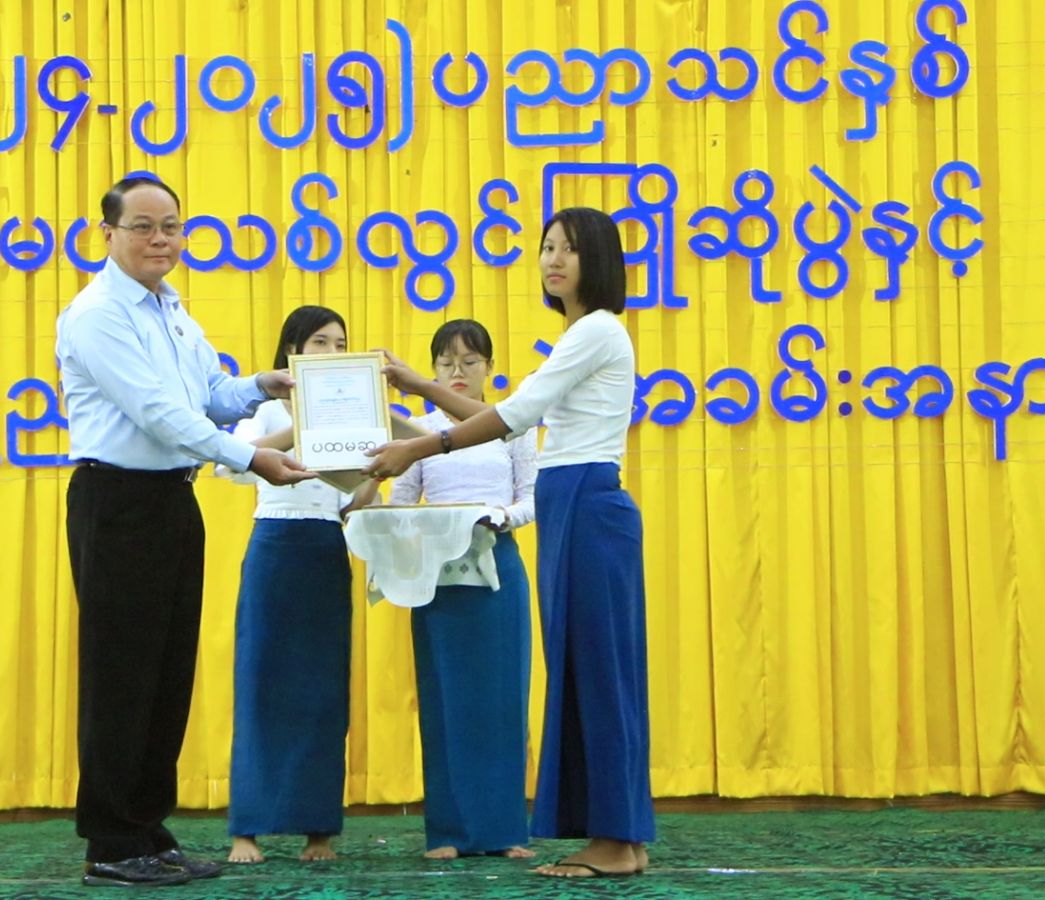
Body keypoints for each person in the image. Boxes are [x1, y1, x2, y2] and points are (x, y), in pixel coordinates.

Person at [364, 207, 654, 879]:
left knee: (597, 673)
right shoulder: (583, 335)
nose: (553, 260)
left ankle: (615, 842)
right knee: (590, 670)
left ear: (598, 260)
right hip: (573, 499)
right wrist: (421, 395)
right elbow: (510, 420)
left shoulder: (595, 330)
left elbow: (514, 415)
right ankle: (622, 837)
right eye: (547, 247)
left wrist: (419, 446)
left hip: (586, 498)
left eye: (569, 249)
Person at [55, 175, 314, 888]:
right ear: (108, 234)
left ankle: (147, 828)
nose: (159, 239)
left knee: (165, 674)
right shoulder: (98, 314)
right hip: (118, 502)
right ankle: (111, 842)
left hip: (171, 500)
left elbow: (208, 395)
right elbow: (159, 415)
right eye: (142, 226)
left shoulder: (170, 308)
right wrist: (252, 458)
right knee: (122, 675)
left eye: (170, 226)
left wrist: (263, 386)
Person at [219, 306, 380, 865]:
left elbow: (352, 497)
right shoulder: (264, 410)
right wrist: (306, 419)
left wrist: (378, 475)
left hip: (325, 546)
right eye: (319, 343)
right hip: (274, 544)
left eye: (340, 343)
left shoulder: (356, 412)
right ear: (293, 351)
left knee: (322, 690)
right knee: (261, 682)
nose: (332, 353)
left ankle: (318, 829)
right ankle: (247, 828)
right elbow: (231, 466)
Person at [386, 319, 538, 860]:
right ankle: (448, 832)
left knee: (501, 702)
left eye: (470, 362)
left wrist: (501, 516)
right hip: (439, 578)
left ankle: (505, 832)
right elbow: (401, 501)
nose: (457, 372)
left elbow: (533, 496)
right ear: (431, 370)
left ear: (490, 369)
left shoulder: (512, 425)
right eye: (446, 363)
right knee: (444, 700)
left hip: (496, 568)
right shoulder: (419, 432)